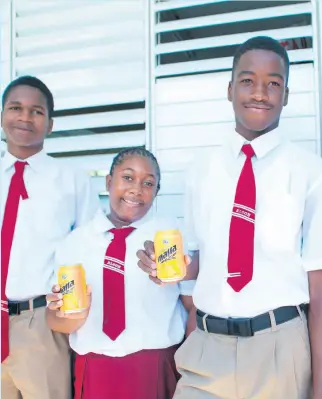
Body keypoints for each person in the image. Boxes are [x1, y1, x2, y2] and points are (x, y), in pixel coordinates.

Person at [137, 36, 322, 399]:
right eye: (248, 81)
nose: (260, 93)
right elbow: (207, 260)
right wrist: (167, 266)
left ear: (286, 94)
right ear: (230, 88)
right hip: (207, 347)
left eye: (274, 83)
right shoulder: (201, 170)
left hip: (279, 350)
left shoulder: (313, 173)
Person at [46, 147, 196, 399]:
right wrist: (69, 313)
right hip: (95, 368)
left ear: (156, 192)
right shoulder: (75, 243)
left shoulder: (171, 235)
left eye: (148, 183)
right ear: (108, 182)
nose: (136, 189)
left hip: (157, 366)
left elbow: (192, 306)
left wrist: (189, 368)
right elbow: (58, 322)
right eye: (127, 177)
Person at [1, 76, 99, 399]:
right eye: (16, 108)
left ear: (51, 124)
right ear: (3, 115)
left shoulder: (71, 180)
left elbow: (92, 249)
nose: (25, 117)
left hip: (39, 323)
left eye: (36, 111)